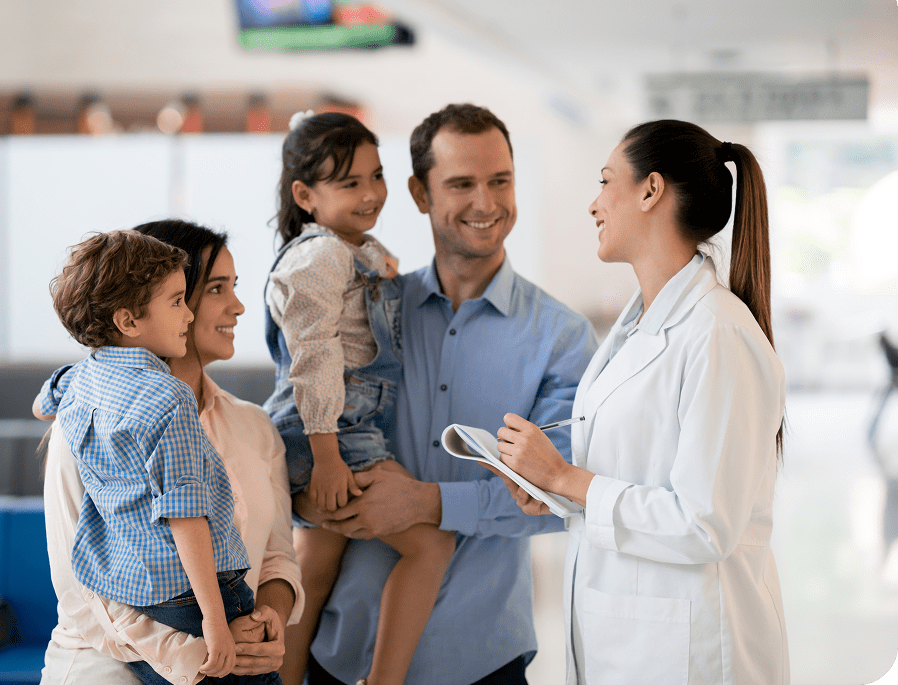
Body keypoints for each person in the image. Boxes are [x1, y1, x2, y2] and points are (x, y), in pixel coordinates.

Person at [303, 103, 598, 685]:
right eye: (462, 184)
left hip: (481, 659)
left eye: (500, 181)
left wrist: (428, 503)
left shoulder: (561, 338)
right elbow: (309, 429)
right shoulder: (365, 310)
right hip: (343, 653)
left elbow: (561, 500)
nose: (486, 204)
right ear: (419, 192)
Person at [492, 119, 789, 684]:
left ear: (651, 190)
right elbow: (636, 475)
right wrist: (557, 494)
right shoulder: (640, 325)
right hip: (628, 641)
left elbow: (705, 524)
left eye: (607, 182)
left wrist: (565, 479)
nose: (593, 205)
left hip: (692, 653)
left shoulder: (717, 333)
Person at [38, 219, 303, 685]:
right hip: (110, 663)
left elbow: (279, 557)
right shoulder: (88, 419)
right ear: (133, 315)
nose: (239, 306)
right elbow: (85, 584)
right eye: (216, 289)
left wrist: (266, 622)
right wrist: (202, 649)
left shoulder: (255, 426)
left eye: (235, 287)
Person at [263, 110, 456, 685]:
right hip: (333, 435)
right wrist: (327, 458)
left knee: (314, 565)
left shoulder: (352, 250)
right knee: (432, 546)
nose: (372, 194)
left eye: (377, 176)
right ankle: (385, 681)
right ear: (305, 194)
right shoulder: (318, 256)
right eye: (350, 183)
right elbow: (315, 359)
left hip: (331, 433)